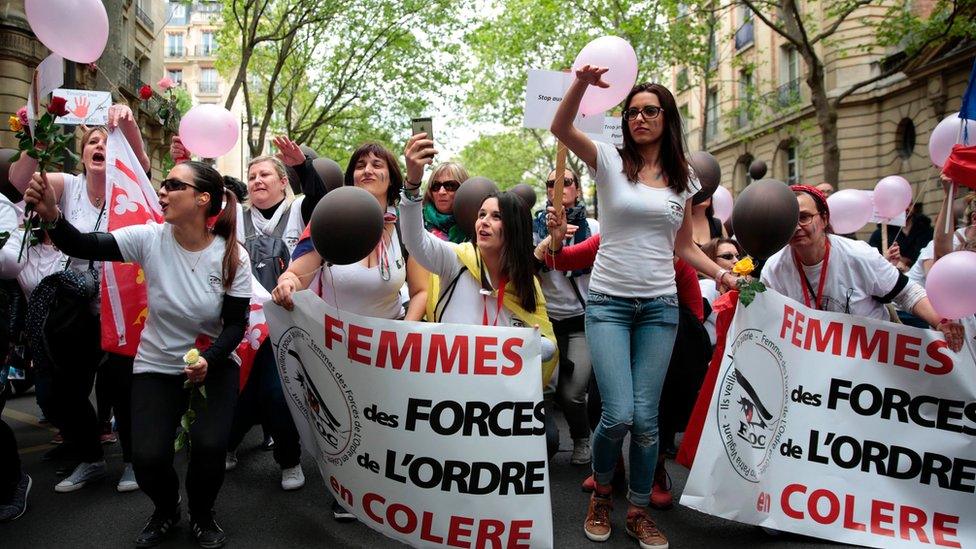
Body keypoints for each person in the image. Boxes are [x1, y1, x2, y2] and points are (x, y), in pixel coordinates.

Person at [552, 69, 739, 548]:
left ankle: (636, 509)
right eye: (632, 111)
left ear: (666, 118)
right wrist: (581, 84)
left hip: (660, 309)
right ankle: (601, 495)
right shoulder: (610, 161)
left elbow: (684, 246)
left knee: (648, 418)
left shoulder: (685, 178)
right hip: (609, 306)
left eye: (649, 110)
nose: (639, 118)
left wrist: (719, 273)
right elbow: (561, 128)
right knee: (616, 415)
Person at [24, 159, 251, 549]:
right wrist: (53, 216)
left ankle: (202, 515)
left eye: (173, 185)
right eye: (162, 184)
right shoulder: (149, 238)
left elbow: (235, 325)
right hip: (156, 366)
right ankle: (166, 509)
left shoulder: (233, 256)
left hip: (212, 365)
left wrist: (210, 360)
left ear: (202, 199)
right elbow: (82, 244)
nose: (162, 191)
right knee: (146, 458)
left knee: (211, 447)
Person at [272, 142, 428, 521]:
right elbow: (299, 269)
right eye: (360, 165)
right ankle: (347, 490)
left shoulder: (405, 228)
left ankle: (387, 490)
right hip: (337, 347)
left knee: (385, 421)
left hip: (389, 345)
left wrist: (404, 335)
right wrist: (289, 282)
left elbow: (421, 290)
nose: (367, 170)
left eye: (378, 165)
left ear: (391, 179)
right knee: (344, 422)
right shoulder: (332, 219)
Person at [8, 107, 146, 494]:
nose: (100, 145)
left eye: (107, 141)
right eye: (93, 142)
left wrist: (129, 125)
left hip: (123, 305)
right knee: (64, 392)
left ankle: (134, 463)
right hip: (75, 309)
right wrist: (38, 135)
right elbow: (20, 181)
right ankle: (90, 459)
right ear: (83, 155)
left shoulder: (129, 187)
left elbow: (144, 160)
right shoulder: (67, 185)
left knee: (122, 388)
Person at [400, 132, 560, 454]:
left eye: (496, 216)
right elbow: (415, 240)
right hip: (451, 395)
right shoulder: (453, 259)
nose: (484, 222)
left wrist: (526, 344)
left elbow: (548, 347)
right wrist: (413, 185)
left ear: (513, 228)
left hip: (501, 400)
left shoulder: (527, 283)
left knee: (548, 440)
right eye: (482, 215)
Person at [760, 185, 963, 350]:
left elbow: (907, 293)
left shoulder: (858, 255)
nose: (796, 226)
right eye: (789, 220)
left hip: (867, 363)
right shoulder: (774, 269)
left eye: (804, 217)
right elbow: (768, 320)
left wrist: (940, 322)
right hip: (811, 372)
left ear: (823, 219)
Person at [223, 154, 306, 491]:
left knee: (275, 392)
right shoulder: (235, 218)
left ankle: (290, 460)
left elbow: (318, 194)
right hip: (242, 326)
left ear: (283, 181)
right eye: (252, 175)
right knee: (237, 391)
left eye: (266, 174)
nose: (257, 180)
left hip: (286, 325)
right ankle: (227, 444)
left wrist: (303, 166)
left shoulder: (299, 212)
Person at [532, 167, 598, 465]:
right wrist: (550, 239)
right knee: (543, 391)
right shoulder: (533, 228)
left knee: (573, 393)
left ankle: (582, 439)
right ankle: (542, 440)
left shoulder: (594, 228)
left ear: (578, 189)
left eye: (566, 182)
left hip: (581, 322)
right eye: (551, 183)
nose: (559, 188)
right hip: (545, 324)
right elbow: (526, 269)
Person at [699, 238, 744, 346]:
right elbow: (690, 327)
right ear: (710, 262)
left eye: (738, 257)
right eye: (727, 257)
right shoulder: (708, 286)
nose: (736, 261)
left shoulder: (737, 292)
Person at [868, 202, 933, 270]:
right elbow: (872, 260)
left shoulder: (927, 231)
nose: (906, 207)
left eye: (910, 203)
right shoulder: (880, 234)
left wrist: (906, 262)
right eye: (902, 203)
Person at [422, 162, 469, 242]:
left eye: (450, 186)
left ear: (464, 189)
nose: (441, 192)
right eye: (436, 186)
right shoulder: (416, 219)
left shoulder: (475, 223)